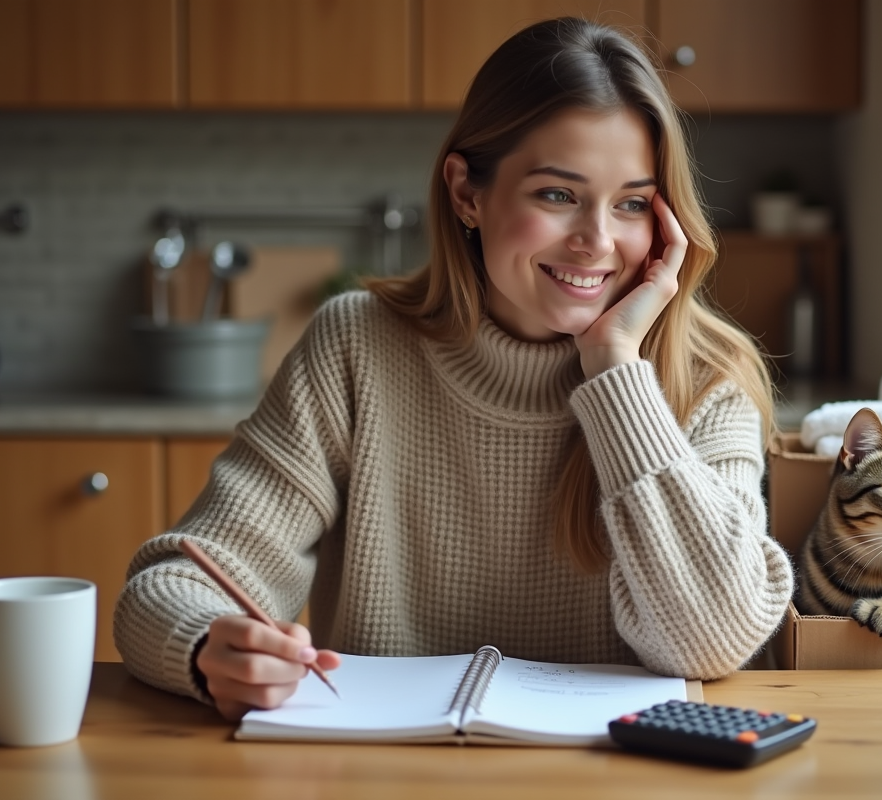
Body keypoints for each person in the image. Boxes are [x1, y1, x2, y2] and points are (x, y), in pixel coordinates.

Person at [114, 16, 793, 721]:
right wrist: (206, 645)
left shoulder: (707, 378)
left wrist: (616, 371)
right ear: (467, 193)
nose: (597, 241)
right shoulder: (358, 347)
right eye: (557, 195)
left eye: (630, 204)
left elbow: (715, 639)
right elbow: (169, 586)